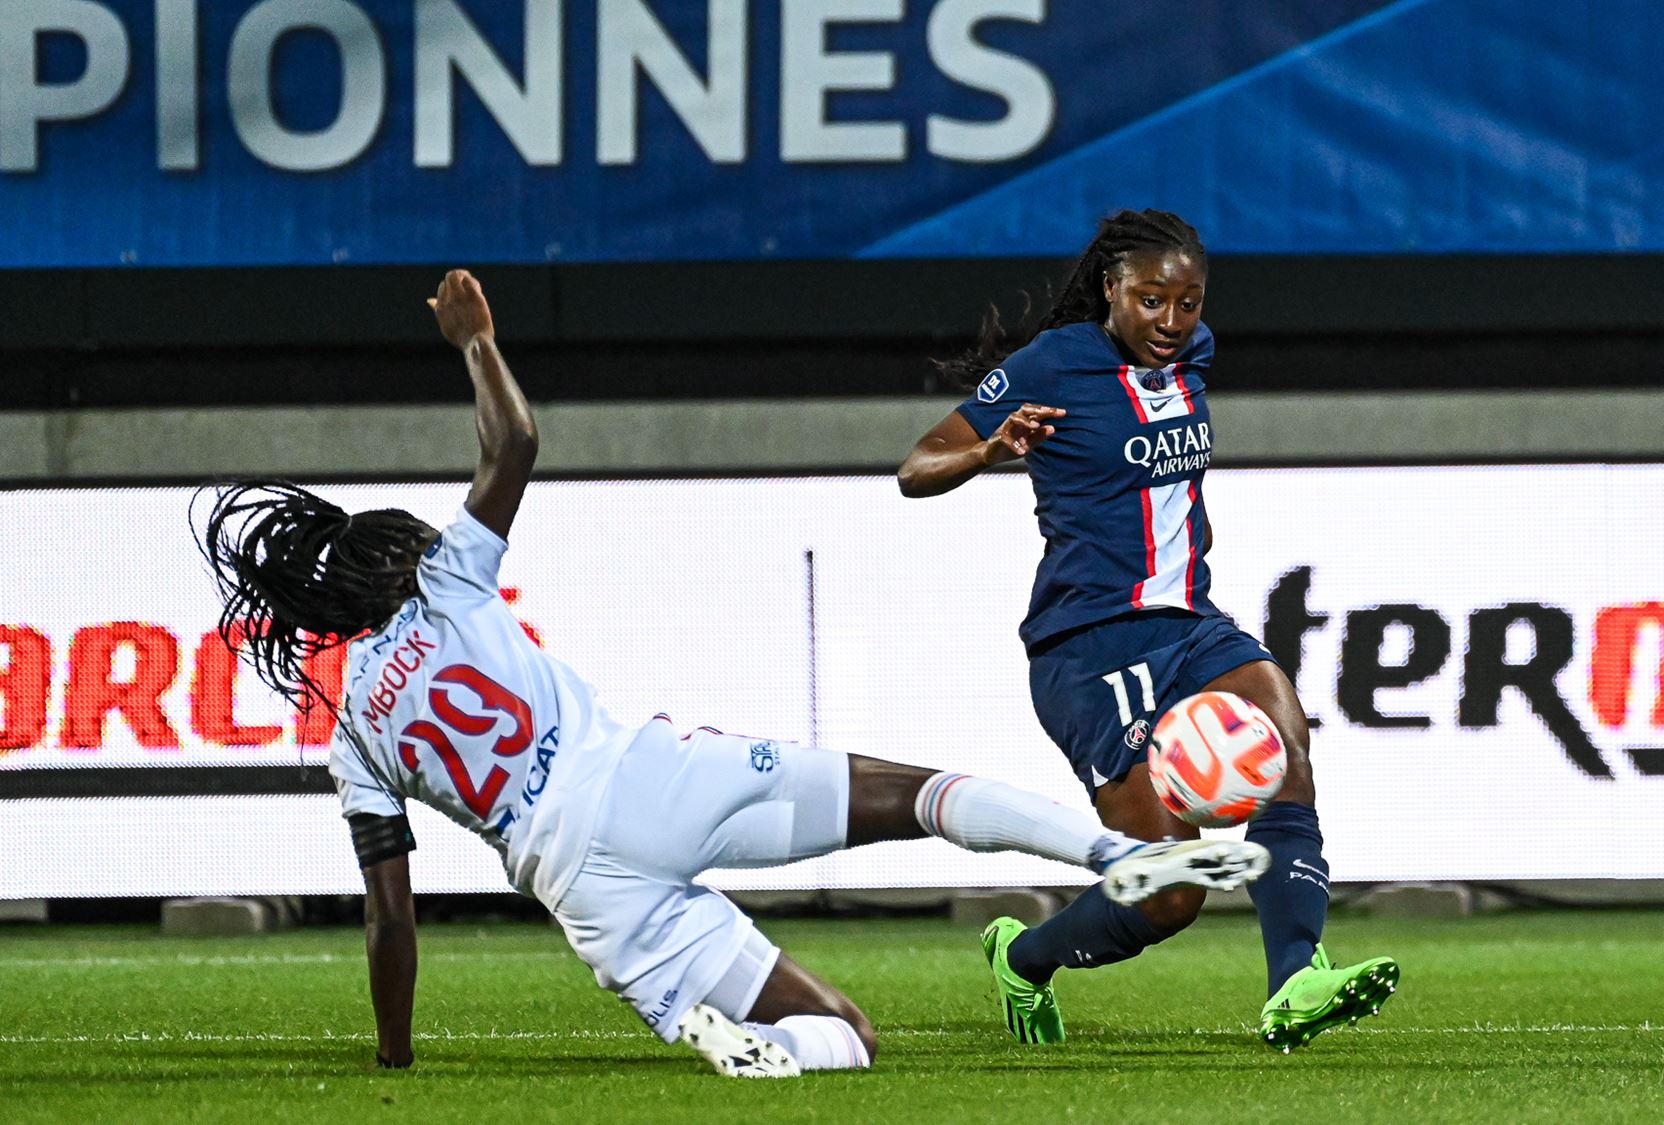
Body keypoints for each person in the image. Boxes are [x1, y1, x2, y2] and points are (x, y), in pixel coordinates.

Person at [194, 270, 1270, 1079]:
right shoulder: (444, 584)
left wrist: (392, 1056)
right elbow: (513, 443)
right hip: (644, 779)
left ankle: (761, 1052)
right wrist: (475, 342)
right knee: (919, 797)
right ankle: (1114, 853)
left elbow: (390, 914)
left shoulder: (351, 734)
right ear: (392, 561)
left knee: (840, 1034)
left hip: (584, 889)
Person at [897, 210, 1398, 1052]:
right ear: (1111, 289)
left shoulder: (1193, 356)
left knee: (1287, 750)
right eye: (1151, 300)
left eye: (1188, 302)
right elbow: (916, 467)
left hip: (1193, 624)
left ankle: (1295, 981)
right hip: (1090, 645)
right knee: (1170, 893)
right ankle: (1024, 958)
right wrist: (988, 450)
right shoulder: (1053, 363)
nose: (1171, 320)